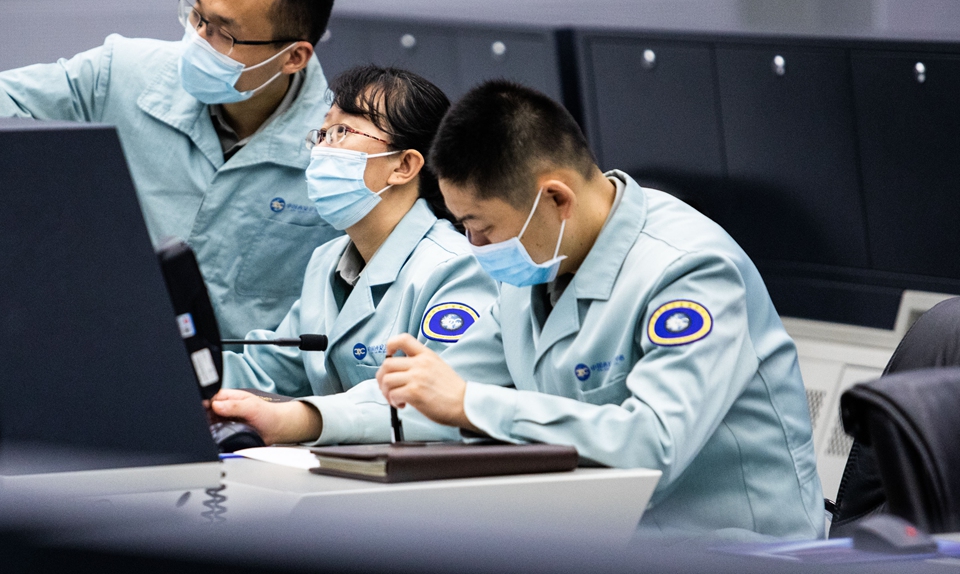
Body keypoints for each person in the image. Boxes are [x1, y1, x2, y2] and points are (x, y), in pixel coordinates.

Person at [218, 80, 825, 539]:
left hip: (735, 551)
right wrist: (298, 419)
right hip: (608, 542)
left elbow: (653, 447)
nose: (474, 246)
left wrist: (471, 403)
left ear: (555, 199)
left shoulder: (689, 271)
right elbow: (435, 392)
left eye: (482, 227)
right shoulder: (536, 261)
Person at [0, 0, 340, 339]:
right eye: (197, 14)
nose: (197, 39)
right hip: (115, 356)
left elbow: (353, 314)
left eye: (223, 33)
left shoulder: (344, 157)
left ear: (294, 56)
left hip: (252, 387)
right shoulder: (122, 74)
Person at [211, 67, 498, 439]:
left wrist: (303, 419)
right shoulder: (326, 262)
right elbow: (269, 373)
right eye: (322, 134)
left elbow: (442, 402)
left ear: (404, 165)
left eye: (342, 132)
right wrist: (182, 374)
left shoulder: (457, 267)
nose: (321, 150)